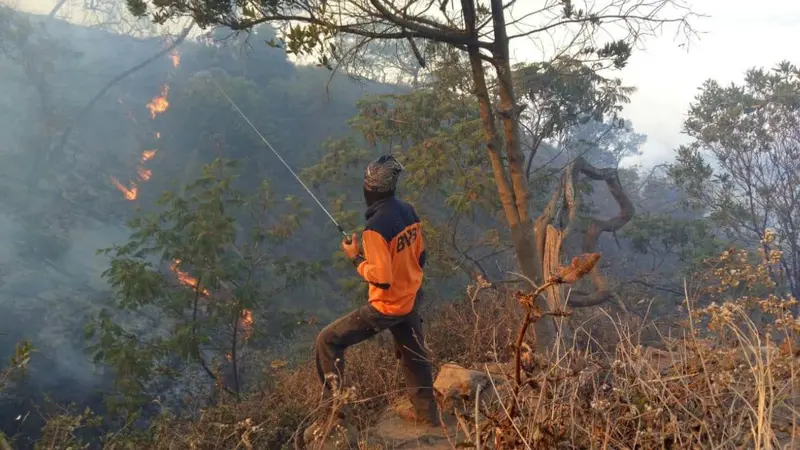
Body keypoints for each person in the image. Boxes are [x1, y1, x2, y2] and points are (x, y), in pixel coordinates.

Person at [313, 154, 439, 426]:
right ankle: (428, 417)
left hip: (387, 306)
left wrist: (356, 258)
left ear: (369, 190)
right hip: (411, 298)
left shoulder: (375, 229)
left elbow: (381, 279)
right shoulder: (408, 211)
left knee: (327, 341)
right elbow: (421, 257)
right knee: (414, 356)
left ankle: (337, 418)